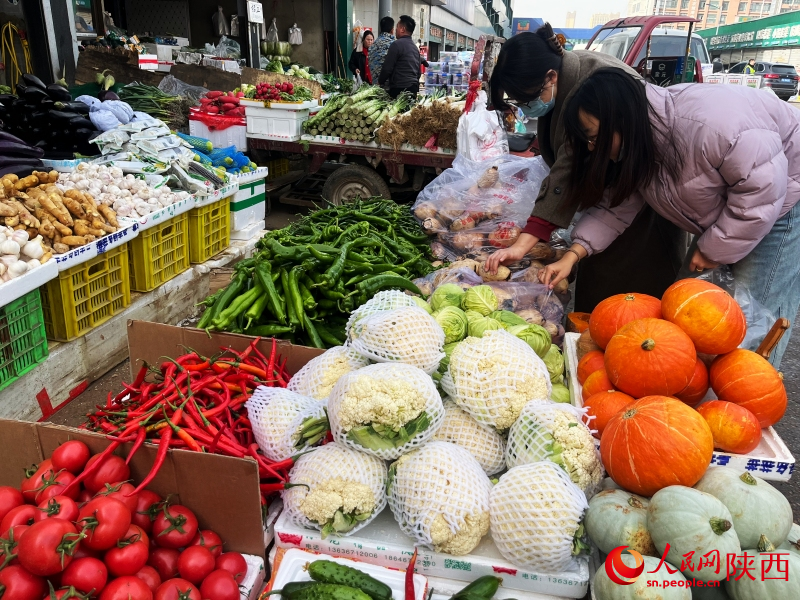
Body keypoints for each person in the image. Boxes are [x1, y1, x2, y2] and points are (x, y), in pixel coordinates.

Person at [536, 68, 800, 367]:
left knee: (754, 321)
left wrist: (713, 248)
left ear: (620, 118)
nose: (592, 148)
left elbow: (763, 189)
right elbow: (615, 207)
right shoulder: (641, 141)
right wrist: (572, 255)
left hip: (783, 204)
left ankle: (746, 407)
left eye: (594, 137)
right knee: (683, 308)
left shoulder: (710, 125)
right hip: (732, 213)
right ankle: (688, 391)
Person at [486, 24, 687, 312]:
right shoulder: (563, 78)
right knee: (593, 268)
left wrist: (526, 241)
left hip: (641, 201)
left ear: (550, 77)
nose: (526, 108)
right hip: (609, 200)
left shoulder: (588, 83)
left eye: (527, 99)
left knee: (633, 295)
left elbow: (569, 165)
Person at [379, 15, 424, 99]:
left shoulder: (396, 45)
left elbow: (387, 68)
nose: (395, 29)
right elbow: (418, 73)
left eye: (397, 26)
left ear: (402, 29)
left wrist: (380, 82)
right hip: (413, 88)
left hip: (399, 89)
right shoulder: (415, 48)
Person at [369, 17, 395, 85]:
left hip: (374, 87)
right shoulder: (394, 44)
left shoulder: (373, 45)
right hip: (388, 87)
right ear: (392, 30)